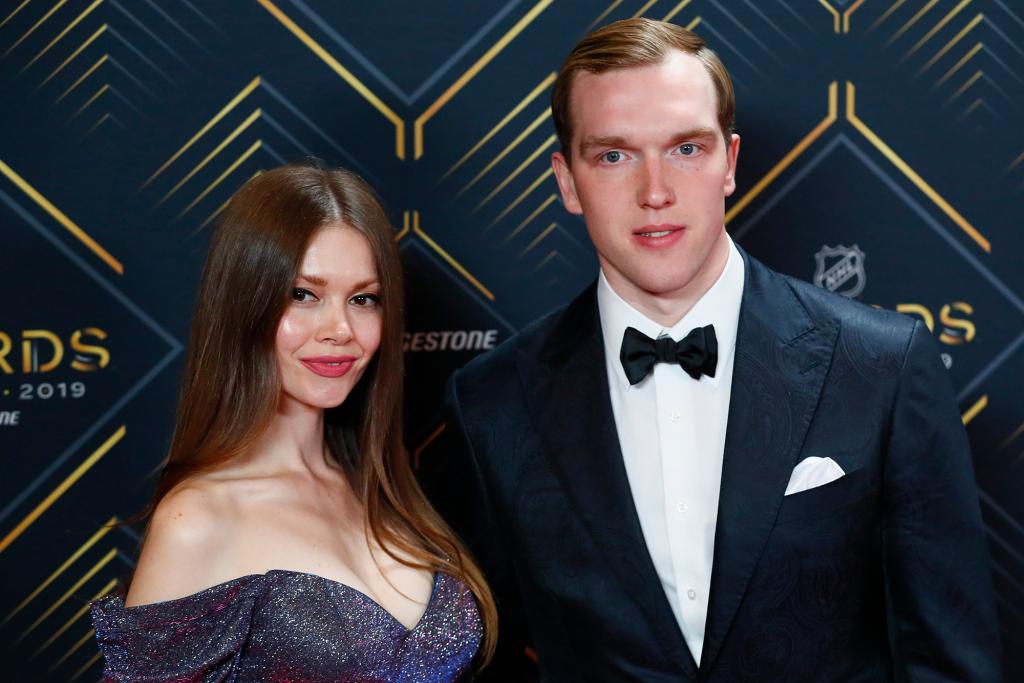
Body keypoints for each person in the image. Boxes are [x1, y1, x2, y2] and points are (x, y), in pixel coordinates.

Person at [423, 18, 1001, 682]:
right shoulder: (493, 402)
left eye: (686, 149)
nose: (655, 192)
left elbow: (953, 663)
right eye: (613, 155)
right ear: (567, 181)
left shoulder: (880, 366)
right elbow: (482, 662)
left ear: (729, 162)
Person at [90, 162, 496, 682]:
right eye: (303, 295)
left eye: (362, 299)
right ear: (244, 306)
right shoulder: (199, 520)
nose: (340, 330)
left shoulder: (385, 493)